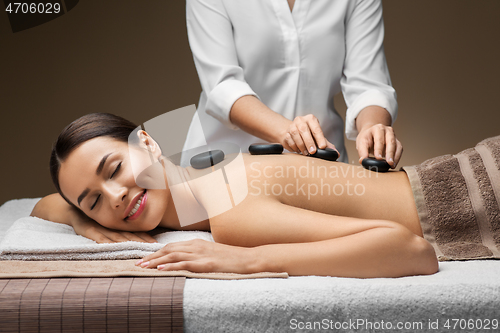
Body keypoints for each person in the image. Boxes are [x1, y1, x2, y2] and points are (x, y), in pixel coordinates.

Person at [31, 113, 441, 278]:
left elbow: (411, 250)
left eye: (115, 170)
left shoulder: (228, 209)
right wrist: (81, 220)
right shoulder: (197, 171)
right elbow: (43, 205)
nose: (115, 197)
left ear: (148, 143)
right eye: (93, 200)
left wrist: (248, 259)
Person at [183, 0, 403, 169]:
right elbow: (222, 86)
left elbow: (368, 83)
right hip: (225, 167)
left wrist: (372, 126)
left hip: (320, 168)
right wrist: (289, 131)